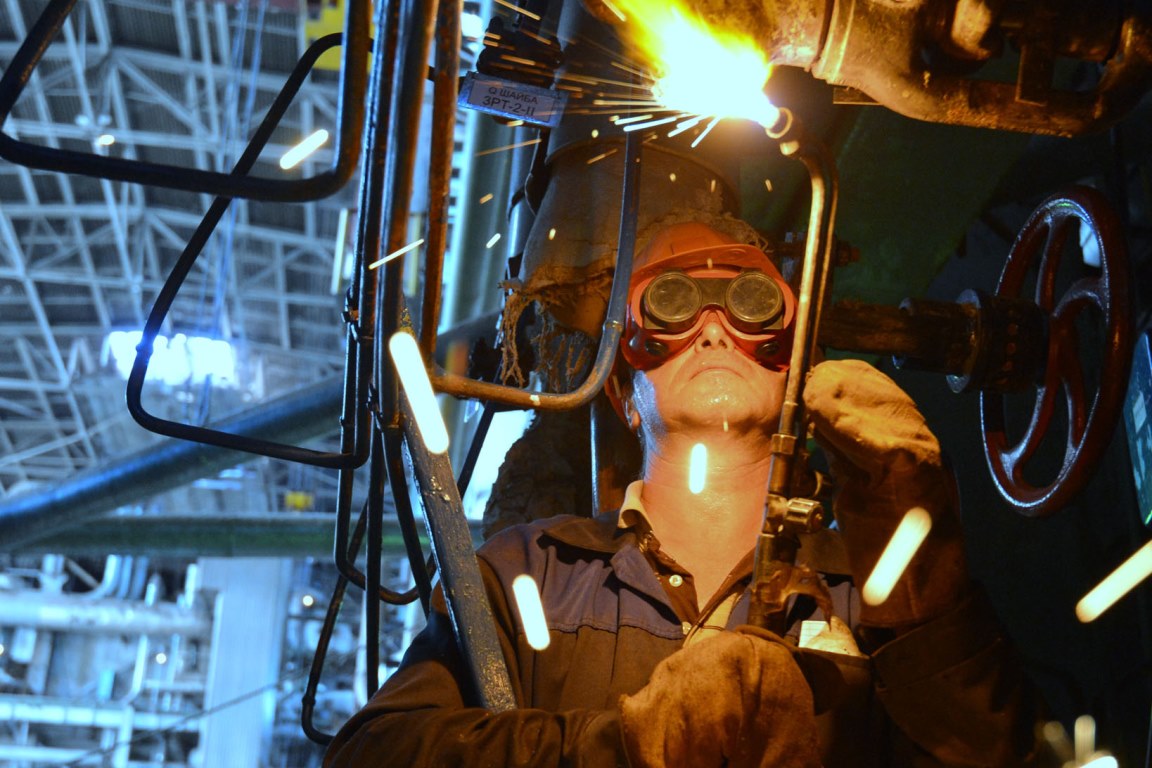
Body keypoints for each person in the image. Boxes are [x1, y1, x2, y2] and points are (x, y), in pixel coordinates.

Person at [324, 221, 1047, 767]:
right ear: (625, 395)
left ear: (795, 370)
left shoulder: (872, 588)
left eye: (749, 302)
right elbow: (372, 754)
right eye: (673, 304)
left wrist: (928, 593)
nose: (713, 329)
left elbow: (991, 755)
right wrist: (626, 747)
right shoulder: (531, 573)